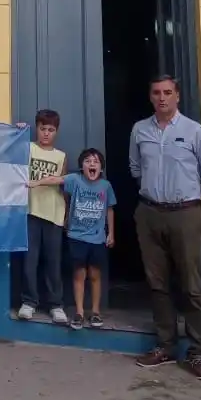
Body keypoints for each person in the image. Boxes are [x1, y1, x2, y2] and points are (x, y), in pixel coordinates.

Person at [130, 75, 201, 381]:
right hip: (149, 213)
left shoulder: (196, 133)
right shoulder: (140, 130)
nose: (162, 98)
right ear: (150, 96)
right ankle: (165, 346)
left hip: (186, 214)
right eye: (156, 92)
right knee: (158, 284)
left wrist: (197, 209)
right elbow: (135, 169)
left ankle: (197, 352)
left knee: (192, 285)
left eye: (168, 92)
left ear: (178, 96)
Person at [33, 148, 116, 329]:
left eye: (95, 161)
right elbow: (55, 179)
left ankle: (95, 312)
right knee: (79, 275)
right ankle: (78, 312)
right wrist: (35, 182)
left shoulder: (106, 186)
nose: (91, 164)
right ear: (81, 167)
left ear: (101, 168)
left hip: (97, 238)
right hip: (76, 237)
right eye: (87, 161)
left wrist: (111, 233)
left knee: (95, 275)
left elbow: (109, 209)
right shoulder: (75, 180)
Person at [17, 108, 68, 326]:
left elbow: (63, 186)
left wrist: (66, 214)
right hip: (31, 211)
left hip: (53, 213)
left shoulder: (61, 156)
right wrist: (16, 133)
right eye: (42, 128)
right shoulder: (27, 148)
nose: (46, 133)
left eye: (51, 129)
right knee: (30, 261)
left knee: (53, 262)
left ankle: (55, 305)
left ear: (56, 131)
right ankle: (29, 301)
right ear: (36, 128)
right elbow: (10, 152)